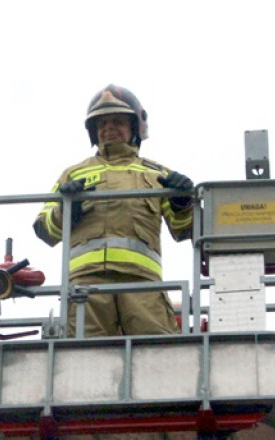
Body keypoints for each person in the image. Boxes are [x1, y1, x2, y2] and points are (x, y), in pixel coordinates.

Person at [33, 85, 195, 337]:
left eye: (117, 121)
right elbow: (44, 229)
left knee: (159, 358)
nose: (108, 128)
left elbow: (184, 228)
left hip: (143, 284)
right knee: (83, 361)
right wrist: (68, 211)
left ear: (135, 128)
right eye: (102, 123)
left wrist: (183, 202)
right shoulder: (73, 174)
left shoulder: (157, 174)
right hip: (86, 286)